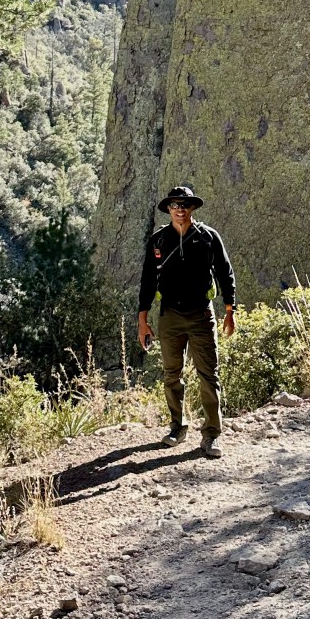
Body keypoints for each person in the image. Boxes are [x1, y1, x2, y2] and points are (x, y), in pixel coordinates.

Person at [137, 185, 236, 458]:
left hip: (202, 314)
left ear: (192, 207)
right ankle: (177, 427)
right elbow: (148, 279)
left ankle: (211, 435)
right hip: (169, 315)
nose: (179, 209)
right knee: (172, 374)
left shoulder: (207, 237)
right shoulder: (159, 240)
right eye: (174, 205)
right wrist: (142, 320)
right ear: (168, 209)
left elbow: (225, 272)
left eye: (184, 204)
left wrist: (230, 310)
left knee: (208, 375)